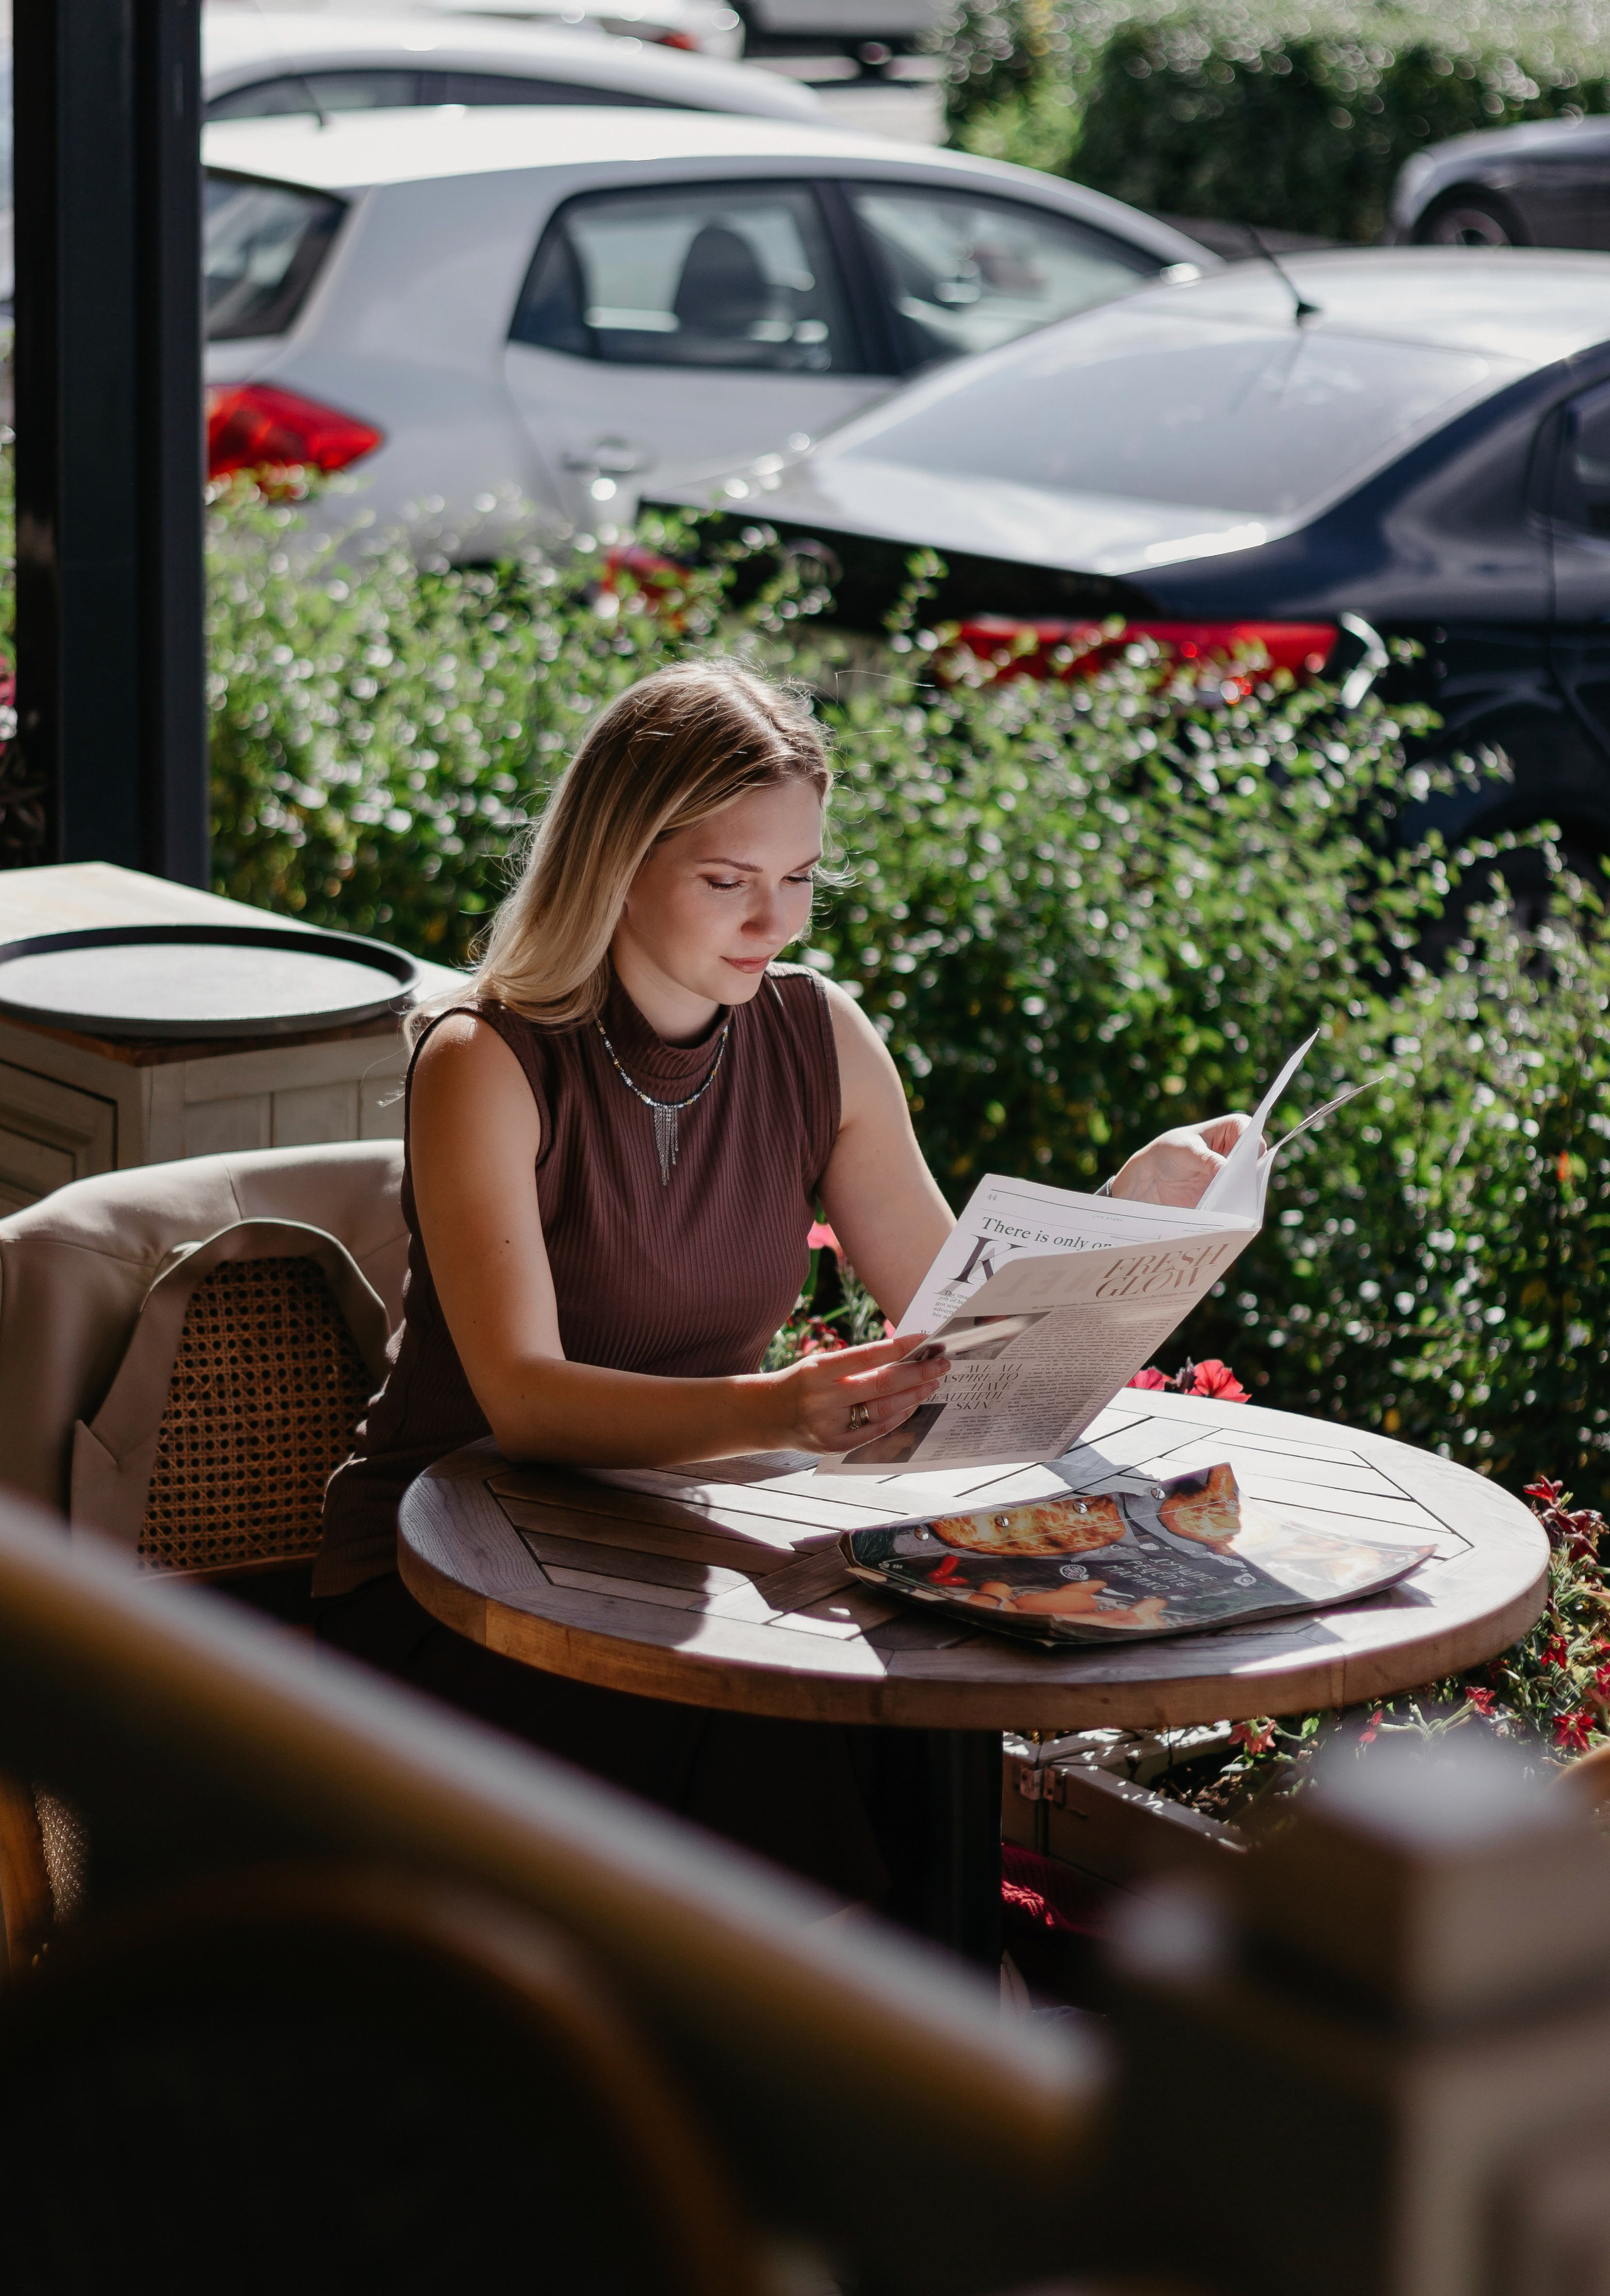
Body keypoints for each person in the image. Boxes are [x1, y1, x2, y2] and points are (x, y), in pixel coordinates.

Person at [314, 659, 1247, 1909]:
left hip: (663, 1550)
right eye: (728, 880)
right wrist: (775, 1410)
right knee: (781, 1730)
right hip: (451, 1582)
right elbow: (525, 1402)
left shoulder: (820, 1038)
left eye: (798, 877)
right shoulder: (484, 1061)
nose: (778, 921)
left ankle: (906, 2052)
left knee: (906, 1710)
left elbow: (959, 1330)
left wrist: (1121, 1218)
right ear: (615, 860)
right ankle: (869, 2063)